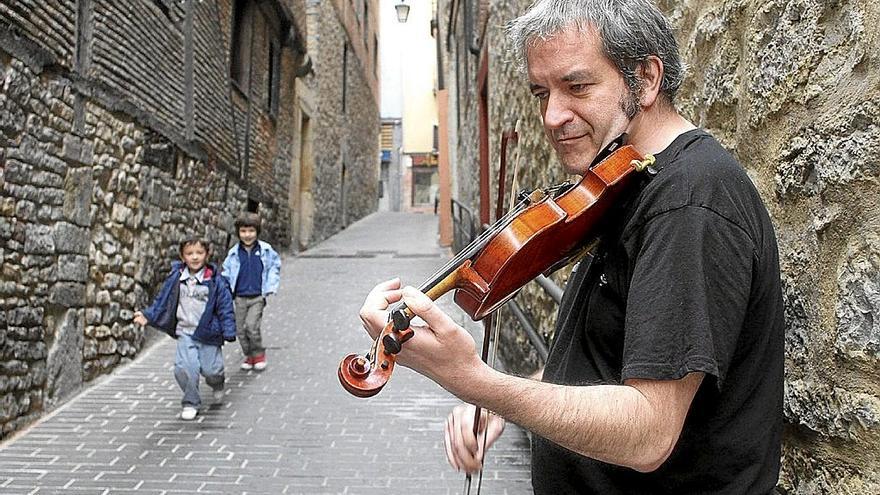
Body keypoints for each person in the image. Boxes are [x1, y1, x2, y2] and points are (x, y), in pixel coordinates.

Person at [356, 0, 784, 493]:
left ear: (644, 80)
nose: (552, 115)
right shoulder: (626, 183)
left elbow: (649, 433)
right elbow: (604, 362)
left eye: (577, 87)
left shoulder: (689, 202)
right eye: (542, 92)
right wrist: (506, 403)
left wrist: (476, 381)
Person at [134, 238, 236, 421]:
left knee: (212, 370)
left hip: (209, 333)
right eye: (190, 254)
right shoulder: (176, 279)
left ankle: (217, 383)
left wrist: (228, 329)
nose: (195, 257)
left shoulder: (215, 281)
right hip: (185, 332)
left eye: (199, 253)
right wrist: (148, 316)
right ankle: (191, 402)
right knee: (185, 368)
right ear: (182, 256)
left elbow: (225, 307)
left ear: (207, 254)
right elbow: (162, 300)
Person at [222, 212, 282, 371]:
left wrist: (270, 286)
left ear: (257, 231)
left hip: (257, 296)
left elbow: (274, 266)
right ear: (238, 232)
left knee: (251, 327)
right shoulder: (234, 253)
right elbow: (227, 271)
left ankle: (258, 353)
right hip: (240, 297)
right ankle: (249, 354)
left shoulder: (265, 250)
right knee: (240, 330)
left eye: (251, 231)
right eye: (243, 231)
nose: (247, 235)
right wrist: (225, 288)